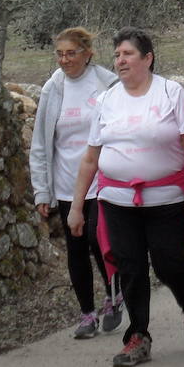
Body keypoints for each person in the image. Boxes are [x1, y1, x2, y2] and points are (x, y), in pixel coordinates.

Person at [68, 28, 184, 367]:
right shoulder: (107, 100)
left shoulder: (170, 93)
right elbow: (91, 157)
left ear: (148, 58)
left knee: (168, 264)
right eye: (116, 55)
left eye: (128, 54)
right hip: (116, 200)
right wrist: (76, 206)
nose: (120, 60)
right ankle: (138, 336)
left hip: (166, 199)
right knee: (129, 267)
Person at [29, 27, 121, 340]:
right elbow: (41, 144)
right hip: (67, 183)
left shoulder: (107, 83)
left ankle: (114, 295)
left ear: (87, 53)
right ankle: (86, 313)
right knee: (76, 248)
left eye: (71, 53)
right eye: (60, 54)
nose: (65, 60)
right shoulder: (52, 88)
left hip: (103, 181)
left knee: (99, 240)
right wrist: (42, 189)